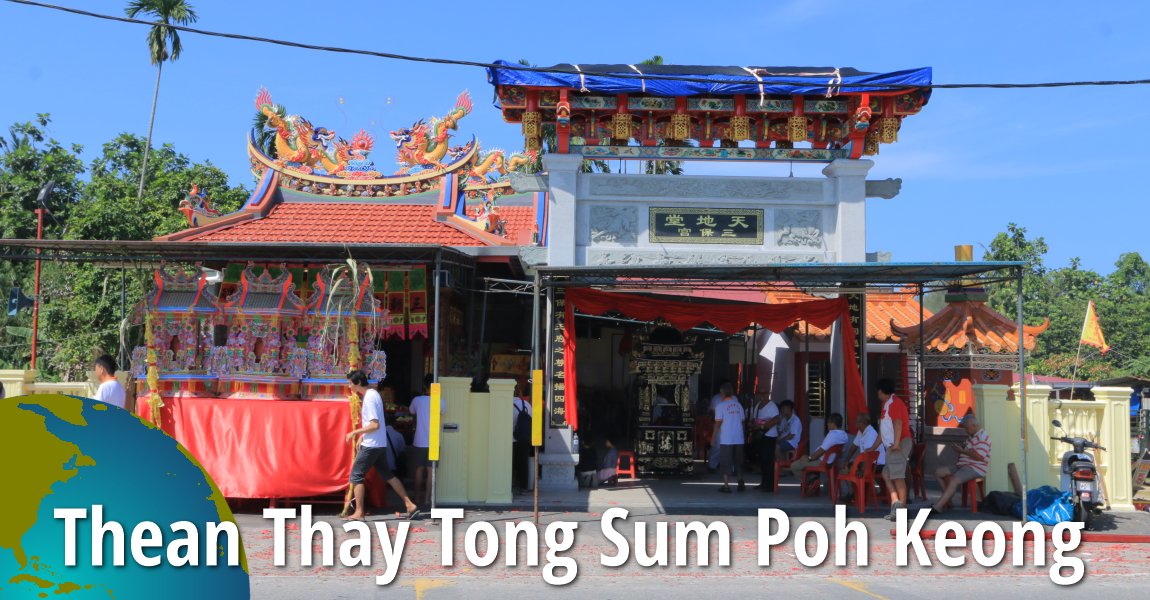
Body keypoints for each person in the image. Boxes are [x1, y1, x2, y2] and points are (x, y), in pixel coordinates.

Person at [343, 370, 418, 521]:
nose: (349, 386)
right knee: (388, 475)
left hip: (371, 445)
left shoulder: (369, 398)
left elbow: (374, 425)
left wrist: (355, 432)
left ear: (358, 383)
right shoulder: (374, 394)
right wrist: (362, 436)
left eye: (350, 383)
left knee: (356, 476)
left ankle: (359, 512)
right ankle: (410, 505)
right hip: (378, 443)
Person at [930, 415, 991, 513]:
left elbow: (979, 456)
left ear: (974, 426)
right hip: (963, 465)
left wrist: (962, 451)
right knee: (938, 472)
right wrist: (961, 449)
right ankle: (948, 500)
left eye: (967, 428)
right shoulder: (971, 436)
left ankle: (938, 506)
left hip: (975, 467)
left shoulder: (983, 437)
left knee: (954, 480)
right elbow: (968, 450)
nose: (966, 430)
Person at [878, 378, 913, 520]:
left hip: (898, 444)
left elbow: (898, 423)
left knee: (898, 477)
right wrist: (873, 447)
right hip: (891, 445)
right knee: (886, 474)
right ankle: (895, 502)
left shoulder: (894, 403)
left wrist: (897, 444)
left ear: (881, 391)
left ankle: (901, 511)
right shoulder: (886, 404)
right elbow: (883, 430)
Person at [789, 413, 849, 484]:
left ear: (833, 424)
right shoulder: (844, 435)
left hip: (822, 462)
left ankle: (810, 482)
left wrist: (809, 458)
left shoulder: (832, 435)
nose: (827, 424)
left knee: (794, 466)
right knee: (803, 459)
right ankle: (812, 478)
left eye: (828, 423)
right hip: (833, 461)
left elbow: (821, 451)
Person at [408, 374, 439, 508]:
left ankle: (417, 497)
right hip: (434, 440)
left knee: (419, 469)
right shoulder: (440, 400)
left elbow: (411, 412)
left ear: (424, 386)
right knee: (430, 470)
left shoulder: (417, 400)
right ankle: (427, 499)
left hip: (419, 439)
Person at [712, 383, 746, 493]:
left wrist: (713, 437)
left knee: (725, 462)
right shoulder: (738, 405)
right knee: (738, 460)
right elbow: (742, 420)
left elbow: (718, 423)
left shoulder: (720, 406)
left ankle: (726, 486)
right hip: (739, 438)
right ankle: (740, 481)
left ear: (721, 393)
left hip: (727, 438)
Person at [753, 393, 781, 492]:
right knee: (762, 461)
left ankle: (770, 485)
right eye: (760, 393)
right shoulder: (758, 405)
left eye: (764, 393)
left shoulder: (772, 406)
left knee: (768, 461)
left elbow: (777, 419)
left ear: (768, 394)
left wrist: (764, 426)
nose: (762, 395)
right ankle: (763, 483)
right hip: (761, 437)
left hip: (769, 436)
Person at [512, 382, 533, 494]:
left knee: (510, 462)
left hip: (511, 439)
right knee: (523, 462)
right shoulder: (526, 404)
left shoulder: (505, 404)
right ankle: (523, 487)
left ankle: (511, 485)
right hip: (525, 438)